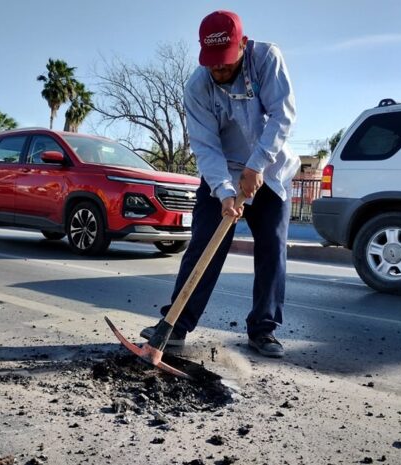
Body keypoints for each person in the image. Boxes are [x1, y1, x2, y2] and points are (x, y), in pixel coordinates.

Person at [141, 10, 299, 358]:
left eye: (225, 63)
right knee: (203, 243)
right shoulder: (197, 87)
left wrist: (256, 165)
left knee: (273, 245)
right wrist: (226, 192)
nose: (219, 70)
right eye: (212, 64)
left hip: (269, 170)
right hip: (222, 172)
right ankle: (175, 325)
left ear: (243, 45)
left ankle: (263, 329)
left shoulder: (267, 59)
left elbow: (282, 116)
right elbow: (205, 146)